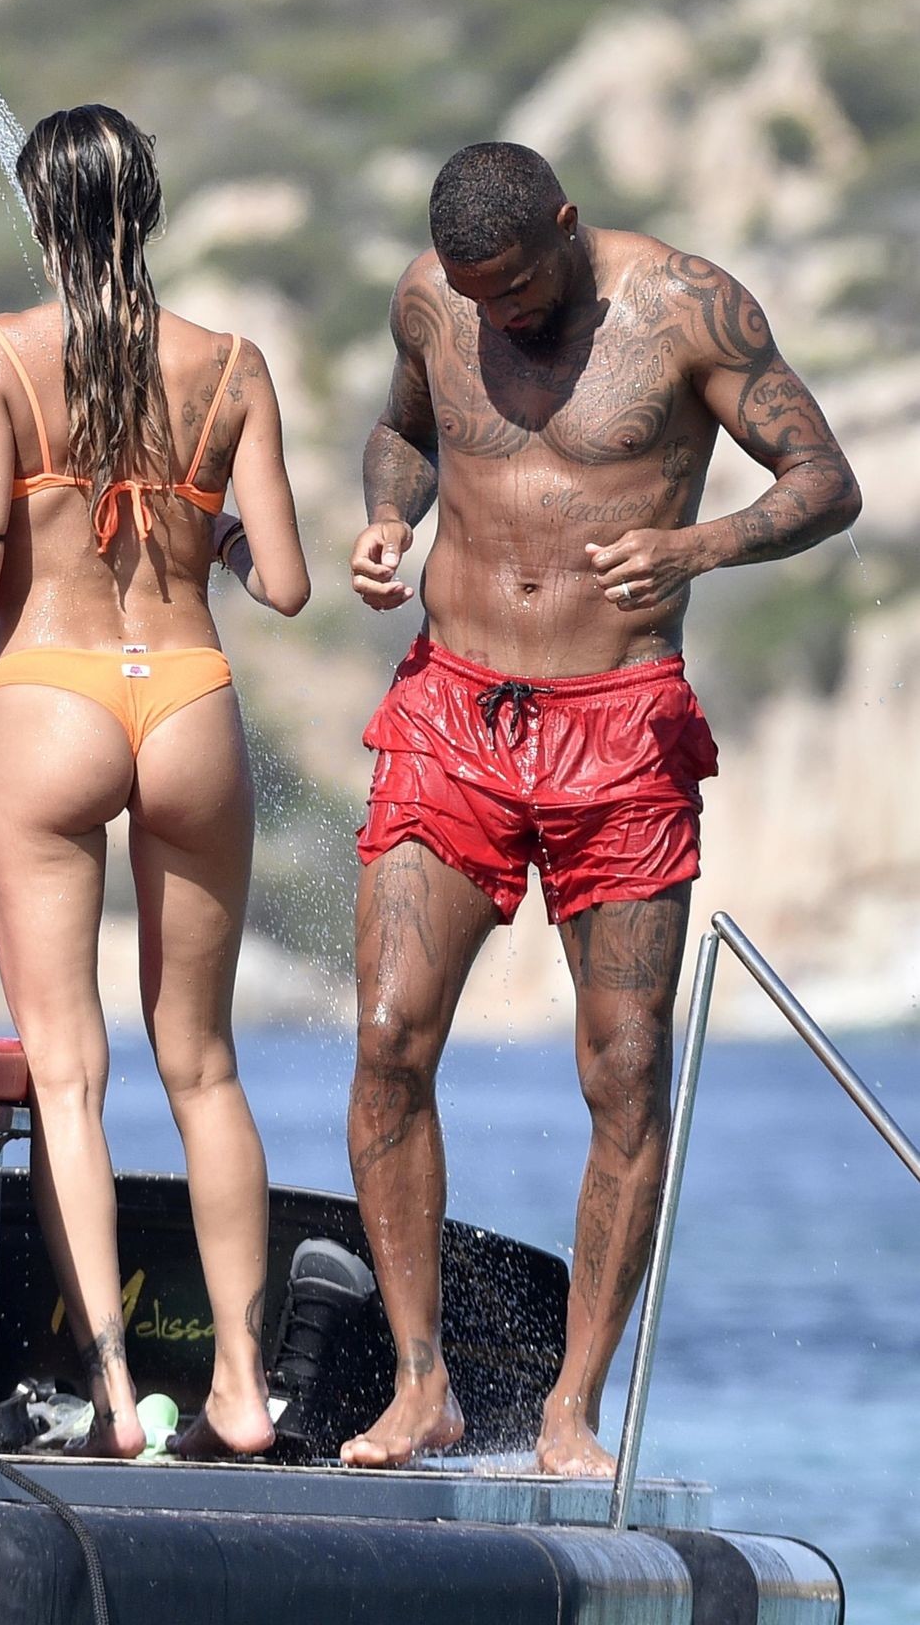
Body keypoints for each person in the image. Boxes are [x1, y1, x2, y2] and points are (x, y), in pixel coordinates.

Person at [342, 141, 861, 1474]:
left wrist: (698, 544)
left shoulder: (689, 308)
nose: (503, 317)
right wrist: (389, 520)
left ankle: (569, 1406)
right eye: (481, 298)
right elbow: (403, 434)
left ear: (566, 227)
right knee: (389, 1037)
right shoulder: (432, 298)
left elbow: (823, 480)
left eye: (519, 289)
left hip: (619, 729)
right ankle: (420, 1385)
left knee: (622, 1067)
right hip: (451, 711)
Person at [0, 104, 309, 1459]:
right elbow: (287, 584)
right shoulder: (233, 364)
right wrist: (218, 535)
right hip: (188, 697)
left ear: (41, 215)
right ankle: (243, 1391)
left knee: (67, 1075)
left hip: (52, 696)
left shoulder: (2, 352)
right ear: (150, 209)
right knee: (203, 1066)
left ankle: (108, 1402)